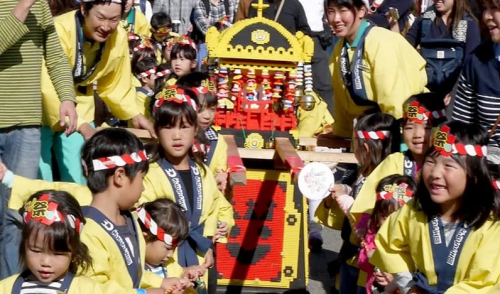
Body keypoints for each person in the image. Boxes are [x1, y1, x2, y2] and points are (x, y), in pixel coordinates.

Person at [371, 121, 500, 293]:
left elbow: (486, 283)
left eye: (448, 165)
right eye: (430, 162)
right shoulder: (414, 210)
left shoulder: (492, 224)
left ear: (474, 173)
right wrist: (408, 284)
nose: (434, 173)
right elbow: (390, 244)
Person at [38, 0, 156, 186]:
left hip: (82, 103)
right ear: (84, 8)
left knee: (81, 176)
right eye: (100, 18)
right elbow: (48, 85)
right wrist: (84, 127)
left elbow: (115, 83)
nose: (106, 26)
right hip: (42, 107)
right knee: (40, 176)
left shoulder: (118, 35)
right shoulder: (59, 29)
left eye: (114, 19)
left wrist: (134, 113)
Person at [0, 0, 78, 279]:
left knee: (19, 215)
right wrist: (22, 6)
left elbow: (55, 55)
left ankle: (11, 284)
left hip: (27, 125)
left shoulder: (40, 6)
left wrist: (67, 98)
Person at [141, 85, 235, 291]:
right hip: (163, 266)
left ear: (195, 129)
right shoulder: (148, 174)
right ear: (156, 130)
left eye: (184, 127)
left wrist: (215, 233)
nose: (176, 135)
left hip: (199, 261)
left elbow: (219, 207)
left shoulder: (203, 172)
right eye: (168, 127)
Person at [79, 128, 193, 293]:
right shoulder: (89, 232)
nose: (143, 186)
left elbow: (132, 272)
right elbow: (95, 288)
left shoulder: (130, 219)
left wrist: (160, 282)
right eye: (141, 178)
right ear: (120, 176)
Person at [315, 112, 400, 294]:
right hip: (352, 254)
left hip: (369, 258)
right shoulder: (364, 172)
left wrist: (346, 199)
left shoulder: (390, 180)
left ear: (366, 148)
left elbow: (372, 217)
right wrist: (344, 191)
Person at [326, 0, 427, 139]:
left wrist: (400, 140)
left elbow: (397, 101)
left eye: (343, 11)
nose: (336, 19)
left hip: (407, 130)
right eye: (331, 12)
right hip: (371, 133)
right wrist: (342, 132)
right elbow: (342, 100)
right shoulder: (340, 49)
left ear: (362, 11)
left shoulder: (382, 42)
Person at [350, 93, 447, 224]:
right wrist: (363, 225)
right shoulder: (394, 161)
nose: (418, 135)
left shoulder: (450, 164)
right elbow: (368, 201)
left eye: (427, 127)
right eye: (409, 127)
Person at [0, 190, 107, 293]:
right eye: (36, 250)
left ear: (74, 250)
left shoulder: (88, 290)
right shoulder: (5, 288)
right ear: (24, 244)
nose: (46, 262)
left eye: (58, 253)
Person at [406, 0, 481, 100]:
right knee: (413, 113)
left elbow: (471, 64)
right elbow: (405, 49)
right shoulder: (424, 20)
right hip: (424, 94)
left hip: (455, 96)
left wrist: (454, 94)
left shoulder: (468, 23)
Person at [356, 175, 416, 294]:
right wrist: (372, 258)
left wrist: (394, 277)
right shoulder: (374, 235)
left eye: (395, 217)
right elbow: (362, 262)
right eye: (384, 216)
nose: (389, 223)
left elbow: (416, 270)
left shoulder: (413, 243)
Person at [452, 0, 500, 148]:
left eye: (494, 8)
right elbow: (460, 128)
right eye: (485, 8)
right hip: (490, 162)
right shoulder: (477, 61)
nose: (487, 16)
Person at [176, 72, 229, 190]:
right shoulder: (174, 137)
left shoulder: (217, 141)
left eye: (212, 109)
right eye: (200, 109)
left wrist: (221, 177)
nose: (207, 116)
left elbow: (220, 169)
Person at [138, 199, 206, 283]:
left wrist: (184, 273)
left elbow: (177, 273)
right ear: (146, 237)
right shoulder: (133, 269)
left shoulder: (168, 264)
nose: (171, 254)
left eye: (174, 248)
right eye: (167, 248)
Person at [297, 0, 335, 113]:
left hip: (316, 39)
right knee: (296, 86)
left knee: (324, 85)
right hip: (292, 39)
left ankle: (330, 122)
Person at [192, 0, 235, 71]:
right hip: (206, 46)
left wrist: (212, 26)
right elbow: (205, 30)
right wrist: (220, 28)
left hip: (225, 47)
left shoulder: (229, 3)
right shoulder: (201, 3)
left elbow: (229, 29)